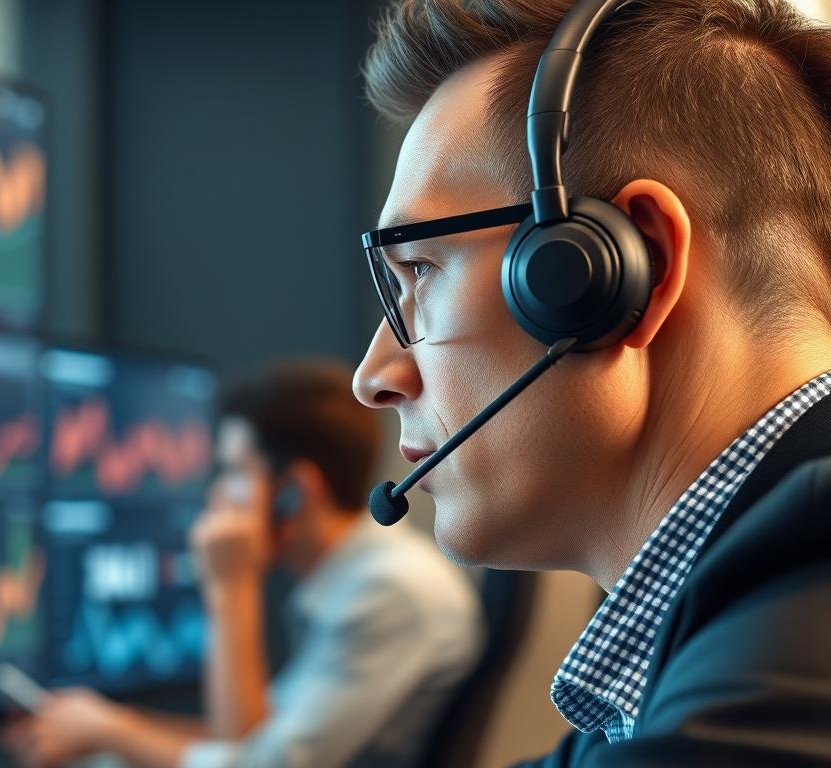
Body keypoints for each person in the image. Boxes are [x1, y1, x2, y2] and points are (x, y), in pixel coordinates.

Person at [352, 0, 831, 764]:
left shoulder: (804, 615)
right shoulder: (723, 626)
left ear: (621, 269)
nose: (374, 377)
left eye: (421, 271)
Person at [7, 361, 483, 768]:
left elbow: (252, 762)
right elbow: (254, 742)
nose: (216, 495)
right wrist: (99, 728)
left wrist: (230, 588)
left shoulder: (391, 592)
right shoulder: (360, 580)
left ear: (294, 490)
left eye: (235, 471)